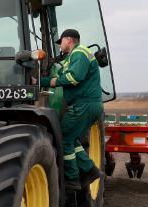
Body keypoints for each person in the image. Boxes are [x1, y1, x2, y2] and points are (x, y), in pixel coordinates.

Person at [40, 29, 104, 190]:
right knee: (71, 138)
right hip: (86, 105)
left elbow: (73, 78)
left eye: (60, 42)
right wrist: (40, 81)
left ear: (68, 40)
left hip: (83, 105)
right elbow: (59, 77)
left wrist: (47, 82)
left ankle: (72, 179)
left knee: (63, 138)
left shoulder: (80, 53)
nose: (60, 46)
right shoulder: (72, 57)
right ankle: (90, 170)